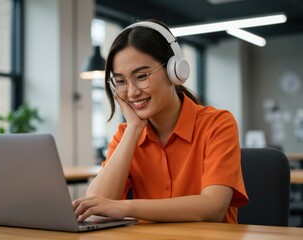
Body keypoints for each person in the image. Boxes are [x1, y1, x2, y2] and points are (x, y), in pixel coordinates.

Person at [73, 19, 248, 224]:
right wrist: (134, 129)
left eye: (141, 76)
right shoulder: (126, 134)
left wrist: (127, 207)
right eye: (120, 81)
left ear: (175, 71)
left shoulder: (217, 124)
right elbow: (94, 207)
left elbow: (212, 207)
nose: (131, 92)